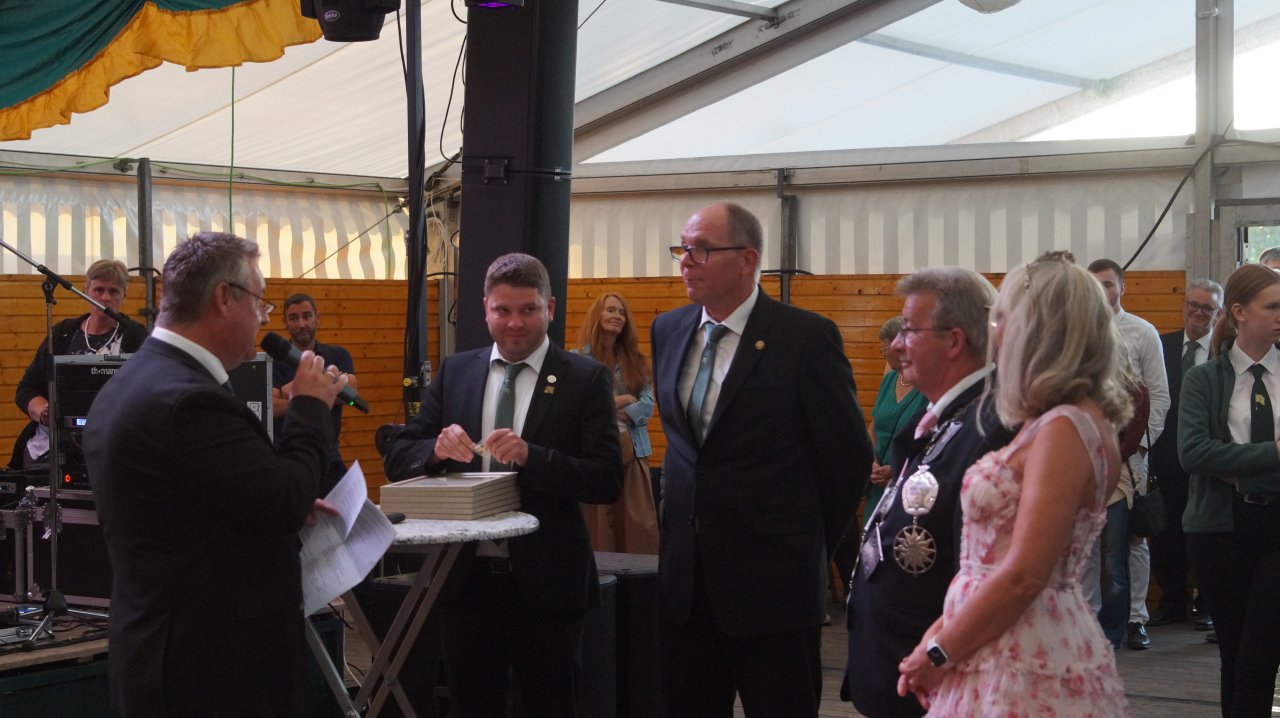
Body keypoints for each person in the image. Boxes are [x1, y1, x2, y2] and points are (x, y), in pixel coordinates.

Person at [84, 232, 347, 717]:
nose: (264, 318)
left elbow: (191, 503)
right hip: (209, 672)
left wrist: (262, 490)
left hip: (167, 654)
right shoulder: (190, 400)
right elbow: (285, 501)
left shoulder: (137, 379)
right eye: (260, 302)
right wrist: (310, 407)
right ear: (225, 298)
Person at [651, 202, 872, 717]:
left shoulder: (805, 337)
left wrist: (804, 543)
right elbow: (689, 452)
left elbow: (846, 459)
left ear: (748, 259)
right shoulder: (669, 329)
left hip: (773, 588)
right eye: (683, 249)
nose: (686, 261)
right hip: (687, 586)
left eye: (702, 249)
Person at [383, 253, 621, 717]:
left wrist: (533, 456)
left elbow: (606, 478)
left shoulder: (585, 378)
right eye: (502, 310)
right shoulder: (457, 371)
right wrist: (435, 450)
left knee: (551, 705)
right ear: (485, 309)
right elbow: (399, 454)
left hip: (549, 584)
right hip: (465, 582)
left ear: (550, 307)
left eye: (528, 309)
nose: (514, 323)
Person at [897, 251, 1129, 715]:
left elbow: (1025, 575)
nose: (994, 332)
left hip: (1020, 647)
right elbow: (993, 562)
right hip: (993, 635)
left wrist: (941, 652)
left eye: (1001, 319)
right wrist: (940, 633)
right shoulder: (1055, 420)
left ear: (1037, 330)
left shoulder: (1065, 428)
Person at [844, 267, 1014, 718]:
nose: (898, 345)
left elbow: (987, 577)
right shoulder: (955, 415)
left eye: (908, 330)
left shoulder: (992, 429)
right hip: (902, 666)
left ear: (954, 341)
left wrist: (939, 653)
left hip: (939, 679)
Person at [1178, 262, 1280, 717]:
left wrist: (1239, 468)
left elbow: (1215, 455)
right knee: (1234, 654)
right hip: (1220, 529)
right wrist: (1274, 452)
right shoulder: (1204, 379)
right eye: (1272, 306)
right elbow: (1194, 454)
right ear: (1239, 312)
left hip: (1276, 524)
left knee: (1260, 654)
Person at [1086, 257, 1170, 650]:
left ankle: (1135, 618)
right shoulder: (1078, 331)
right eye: (1095, 284)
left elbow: (1159, 395)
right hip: (1086, 456)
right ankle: (1089, 618)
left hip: (1132, 455)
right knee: (1087, 542)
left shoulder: (1142, 332)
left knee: (1133, 540)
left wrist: (1138, 449)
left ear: (1122, 287)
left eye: (1108, 284)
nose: (1102, 291)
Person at [12, 258, 148, 469]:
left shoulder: (136, 336)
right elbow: (26, 388)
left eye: (113, 291)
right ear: (86, 290)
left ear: (124, 296)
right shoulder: (63, 333)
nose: (105, 298)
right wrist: (45, 412)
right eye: (98, 290)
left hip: (113, 448)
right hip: (52, 448)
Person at [1148, 279, 1222, 633]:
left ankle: (1208, 604)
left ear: (1219, 313)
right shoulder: (1161, 346)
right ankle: (1172, 601)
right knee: (1167, 532)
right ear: (1184, 306)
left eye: (1207, 308)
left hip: (1209, 457)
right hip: (1166, 455)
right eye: (1193, 305)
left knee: (1208, 535)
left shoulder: (1225, 351)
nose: (1198, 312)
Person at [832, 316, 926, 584]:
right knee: (871, 552)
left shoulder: (926, 384)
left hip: (908, 482)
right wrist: (870, 461)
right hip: (877, 482)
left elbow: (928, 436)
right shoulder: (889, 380)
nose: (884, 354)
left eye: (885, 348)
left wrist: (896, 469)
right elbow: (874, 427)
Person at [575, 291, 659, 554]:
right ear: (597, 315)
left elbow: (647, 406)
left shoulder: (637, 360)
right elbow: (580, 408)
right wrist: (624, 398)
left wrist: (607, 407)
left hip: (634, 453)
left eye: (622, 312)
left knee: (638, 528)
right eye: (611, 310)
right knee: (599, 529)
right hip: (594, 457)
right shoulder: (578, 360)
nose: (617, 316)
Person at [271, 293, 358, 493]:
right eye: (294, 318)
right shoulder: (273, 360)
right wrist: (323, 393)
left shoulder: (337, 355)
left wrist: (289, 391)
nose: (301, 324)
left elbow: (351, 390)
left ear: (317, 318)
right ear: (285, 322)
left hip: (329, 457)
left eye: (307, 316)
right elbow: (272, 407)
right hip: (286, 457)